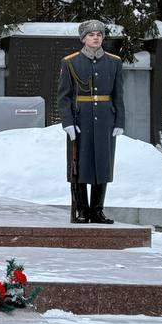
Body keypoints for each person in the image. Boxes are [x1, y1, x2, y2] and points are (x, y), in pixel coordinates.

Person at [56, 19, 124, 224]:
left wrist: (119, 121)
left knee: (103, 165)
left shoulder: (114, 62)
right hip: (81, 119)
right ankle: (82, 210)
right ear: (83, 38)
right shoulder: (70, 62)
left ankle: (97, 210)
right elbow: (64, 96)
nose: (96, 38)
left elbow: (118, 94)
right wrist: (68, 122)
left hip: (105, 119)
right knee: (80, 166)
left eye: (99, 35)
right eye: (91, 35)